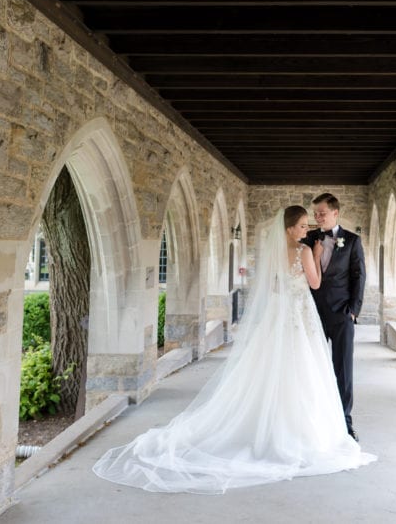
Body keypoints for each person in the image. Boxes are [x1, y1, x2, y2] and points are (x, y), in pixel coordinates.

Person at [92, 206, 376, 494]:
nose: (307, 229)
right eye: (302, 225)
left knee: (272, 368)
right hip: (299, 316)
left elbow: (275, 286)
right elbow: (314, 283)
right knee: (303, 369)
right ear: (290, 229)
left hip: (279, 314)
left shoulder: (275, 253)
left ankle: (265, 424)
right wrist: (315, 255)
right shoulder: (304, 251)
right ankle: (299, 431)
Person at [302, 193, 365, 441]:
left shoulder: (352, 241)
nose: (317, 217)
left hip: (342, 315)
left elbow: (359, 276)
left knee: (343, 369)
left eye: (322, 213)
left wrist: (353, 311)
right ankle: (315, 419)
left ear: (335, 213)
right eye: (315, 213)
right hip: (312, 314)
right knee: (312, 367)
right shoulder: (308, 239)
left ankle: (345, 422)